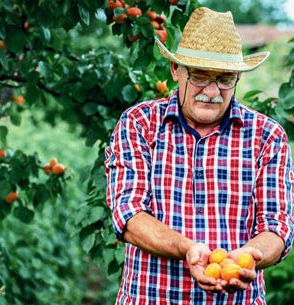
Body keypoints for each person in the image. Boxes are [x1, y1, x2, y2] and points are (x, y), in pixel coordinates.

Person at [105, 7, 294, 305]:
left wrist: (248, 257)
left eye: (224, 78)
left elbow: (277, 226)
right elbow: (128, 214)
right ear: (175, 71)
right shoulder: (140, 124)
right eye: (200, 75)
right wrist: (187, 248)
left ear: (237, 79)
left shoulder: (267, 136)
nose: (212, 90)